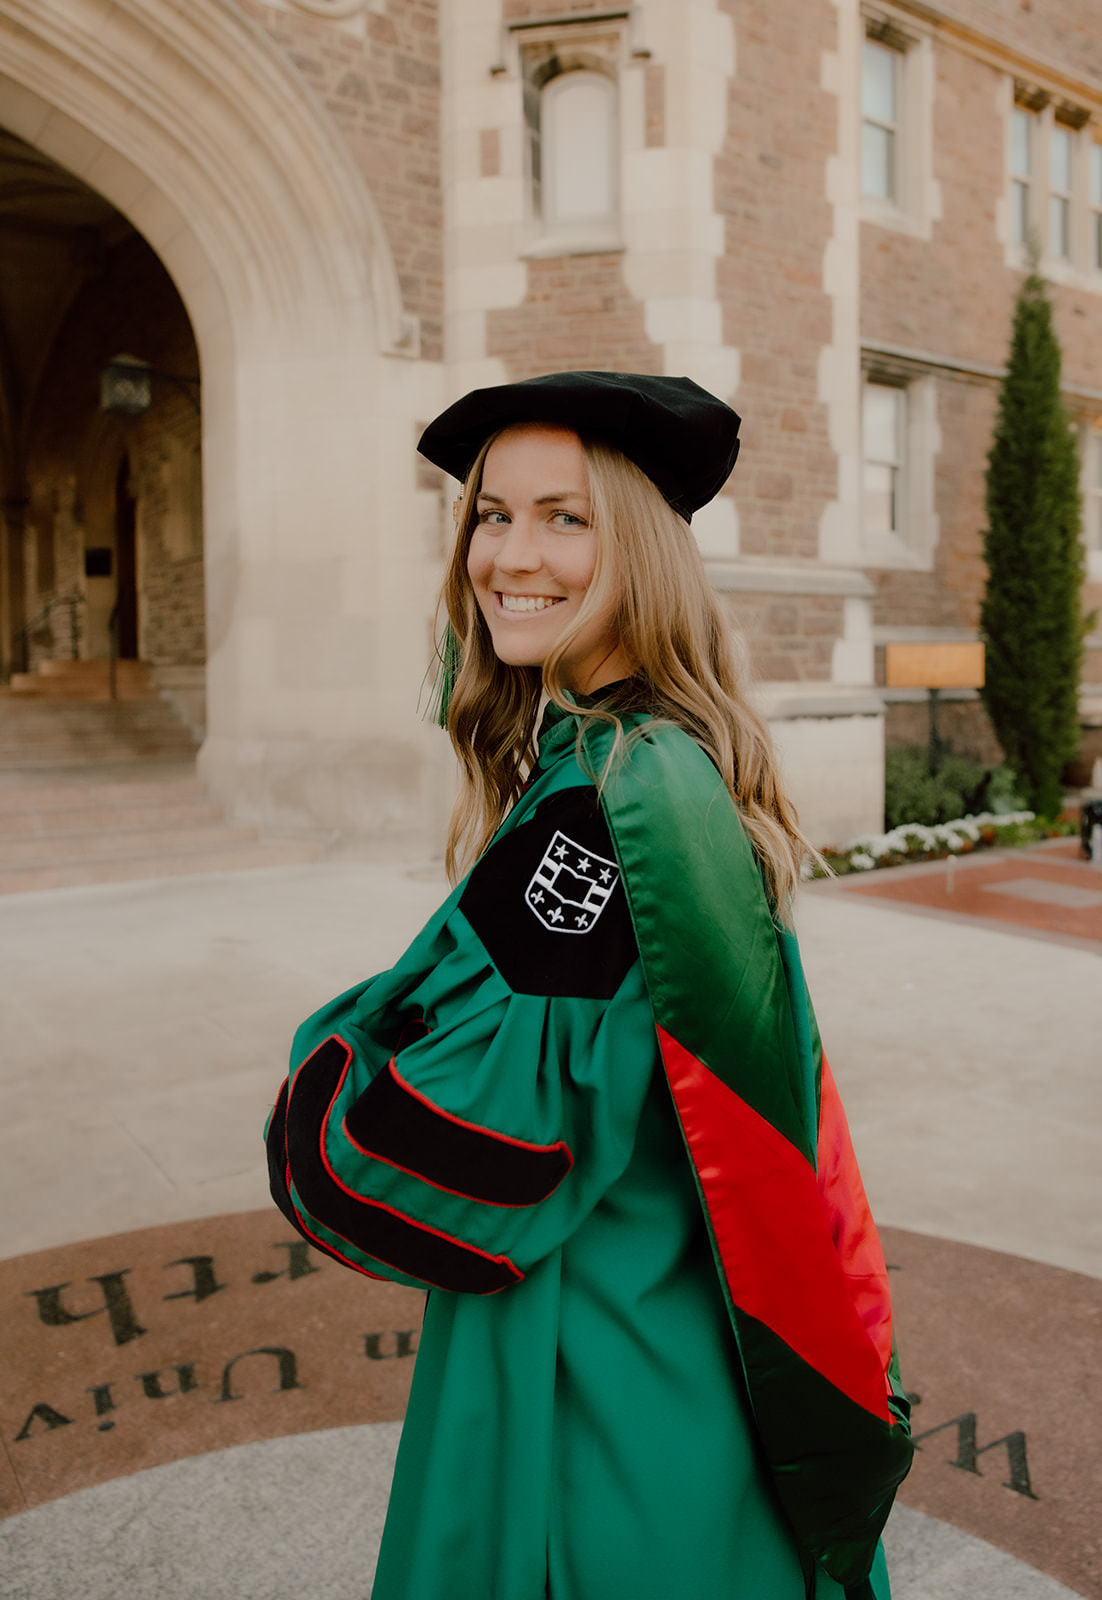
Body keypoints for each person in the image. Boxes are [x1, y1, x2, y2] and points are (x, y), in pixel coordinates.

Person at [265, 371, 913, 1600]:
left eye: (565, 517)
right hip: (682, 1321)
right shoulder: (658, 752)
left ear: (643, 552)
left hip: (594, 1369)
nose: (510, 555)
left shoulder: (606, 801)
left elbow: (421, 1160)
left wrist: (324, 1060)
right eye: (492, 514)